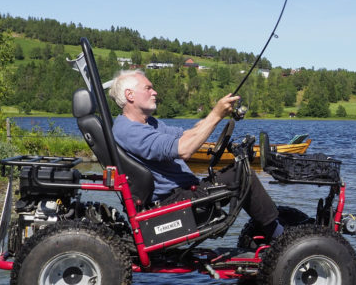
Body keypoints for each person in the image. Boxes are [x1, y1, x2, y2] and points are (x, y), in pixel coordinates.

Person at [109, 70, 283, 239]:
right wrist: (216, 114)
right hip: (173, 203)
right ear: (130, 95)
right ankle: (281, 238)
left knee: (239, 171)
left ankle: (269, 232)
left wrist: (217, 115)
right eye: (148, 88)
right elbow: (184, 150)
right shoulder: (129, 130)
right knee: (244, 175)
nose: (155, 92)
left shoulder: (149, 123)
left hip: (185, 193)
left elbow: (186, 135)